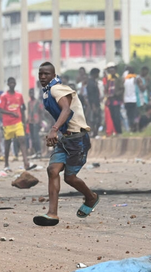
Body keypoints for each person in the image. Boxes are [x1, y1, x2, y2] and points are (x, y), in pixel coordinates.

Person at [33, 62, 99, 227]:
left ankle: (91, 197)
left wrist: (54, 129)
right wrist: (57, 132)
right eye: (40, 74)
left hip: (77, 139)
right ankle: (52, 214)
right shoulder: (48, 92)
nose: (42, 77)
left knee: (70, 178)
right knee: (52, 170)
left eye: (46, 74)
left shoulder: (57, 89)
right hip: (65, 138)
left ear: (53, 75)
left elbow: (66, 110)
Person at [0, 77, 33, 170]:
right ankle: (6, 164)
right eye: (10, 82)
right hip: (7, 123)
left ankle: (26, 162)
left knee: (22, 140)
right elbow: (0, 109)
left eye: (13, 82)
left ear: (15, 83)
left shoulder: (19, 95)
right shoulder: (4, 96)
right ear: (8, 84)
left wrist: (24, 121)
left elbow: (22, 108)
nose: (12, 84)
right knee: (7, 143)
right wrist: (11, 113)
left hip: (18, 122)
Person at [104, 62, 124, 135]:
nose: (111, 72)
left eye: (112, 70)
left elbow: (122, 89)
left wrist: (115, 94)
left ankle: (119, 131)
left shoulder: (118, 79)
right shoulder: (109, 80)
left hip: (116, 100)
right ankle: (115, 131)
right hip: (110, 101)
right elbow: (107, 89)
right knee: (112, 116)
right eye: (110, 70)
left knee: (116, 116)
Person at [27, 87, 44, 158]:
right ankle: (36, 152)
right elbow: (28, 112)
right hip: (30, 122)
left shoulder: (38, 102)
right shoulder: (29, 103)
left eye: (32, 92)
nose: (31, 94)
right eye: (30, 93)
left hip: (36, 122)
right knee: (33, 137)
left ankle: (39, 152)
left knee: (36, 137)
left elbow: (41, 111)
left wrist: (40, 121)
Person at [86, 68, 102, 136]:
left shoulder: (94, 82)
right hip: (93, 104)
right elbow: (91, 96)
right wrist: (93, 106)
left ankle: (95, 132)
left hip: (96, 103)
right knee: (93, 119)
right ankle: (93, 132)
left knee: (98, 119)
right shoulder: (91, 83)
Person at [123, 66, 138, 132]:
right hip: (133, 100)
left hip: (126, 100)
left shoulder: (124, 79)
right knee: (133, 115)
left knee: (129, 115)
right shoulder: (134, 79)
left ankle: (130, 128)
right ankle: (133, 128)